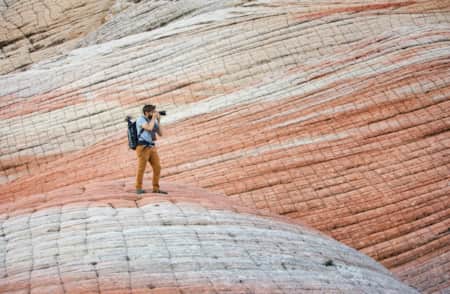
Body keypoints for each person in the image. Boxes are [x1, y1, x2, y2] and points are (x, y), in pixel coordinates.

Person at [135, 104, 168, 195]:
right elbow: (149, 128)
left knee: (157, 167)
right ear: (146, 113)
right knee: (141, 168)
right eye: (152, 112)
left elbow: (160, 134)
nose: (154, 113)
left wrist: (158, 120)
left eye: (154, 111)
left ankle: (156, 188)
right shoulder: (140, 119)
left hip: (152, 147)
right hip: (142, 147)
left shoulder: (154, 121)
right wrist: (153, 118)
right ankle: (138, 188)